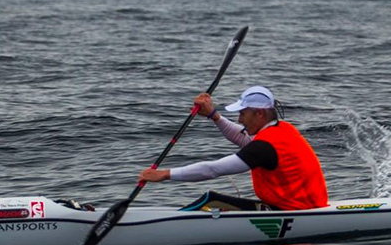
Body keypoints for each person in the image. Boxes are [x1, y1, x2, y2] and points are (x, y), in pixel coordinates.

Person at [138, 85, 329, 210]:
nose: (240, 119)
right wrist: (214, 115)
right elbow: (244, 138)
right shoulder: (282, 130)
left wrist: (164, 174)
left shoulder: (265, 145)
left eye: (243, 113)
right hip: (305, 206)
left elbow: (212, 170)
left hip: (294, 211)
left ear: (259, 114)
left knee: (211, 200)